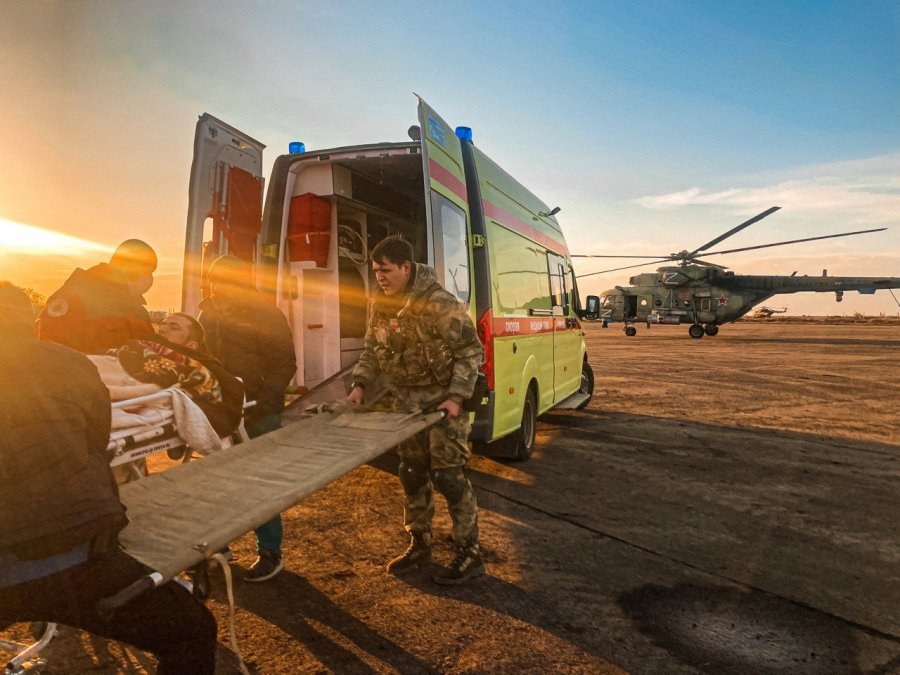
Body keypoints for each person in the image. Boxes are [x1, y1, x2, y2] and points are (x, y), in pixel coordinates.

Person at [0, 283, 218, 674]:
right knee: (192, 632)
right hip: (74, 560)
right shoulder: (69, 364)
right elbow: (98, 437)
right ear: (31, 324)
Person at [347, 236, 485, 585]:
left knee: (448, 476)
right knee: (411, 471)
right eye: (376, 270)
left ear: (406, 268)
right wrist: (360, 384)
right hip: (405, 404)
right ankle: (420, 542)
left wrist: (457, 397)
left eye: (386, 270)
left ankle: (469, 551)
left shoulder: (439, 303)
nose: (379, 277)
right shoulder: (380, 304)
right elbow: (371, 349)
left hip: (443, 405)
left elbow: (470, 351)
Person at [198, 255, 297, 582]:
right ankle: (220, 546)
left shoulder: (266, 314)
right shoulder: (207, 315)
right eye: (213, 280)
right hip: (219, 411)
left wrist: (264, 401)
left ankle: (270, 551)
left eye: (223, 280)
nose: (216, 287)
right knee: (217, 480)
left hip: (259, 411)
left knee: (259, 481)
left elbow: (285, 363)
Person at [36, 239, 157, 353]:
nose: (150, 279)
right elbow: (51, 352)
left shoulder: (138, 311)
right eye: (148, 272)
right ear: (131, 271)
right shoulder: (77, 297)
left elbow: (150, 352)